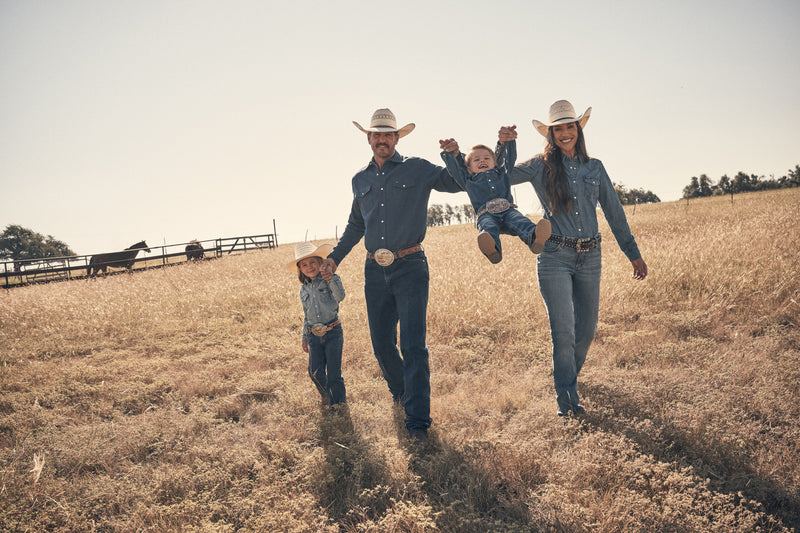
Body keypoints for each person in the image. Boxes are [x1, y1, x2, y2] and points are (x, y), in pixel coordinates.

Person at [322, 108, 463, 445]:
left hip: (410, 266)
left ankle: (417, 423)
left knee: (413, 346)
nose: (382, 139)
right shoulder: (360, 180)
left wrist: (454, 156)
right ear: (368, 139)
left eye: (388, 134)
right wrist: (335, 258)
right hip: (374, 270)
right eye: (376, 134)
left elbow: (457, 183)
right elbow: (356, 225)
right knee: (382, 344)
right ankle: (402, 393)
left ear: (397, 138)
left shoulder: (418, 168)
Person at [501, 100, 648, 417]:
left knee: (586, 332)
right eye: (559, 129)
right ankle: (567, 403)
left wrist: (632, 253)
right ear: (551, 134)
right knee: (564, 333)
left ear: (578, 130)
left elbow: (614, 212)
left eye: (570, 127)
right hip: (555, 256)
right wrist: (505, 146)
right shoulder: (539, 166)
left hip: (590, 257)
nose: (565, 133)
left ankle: (566, 376)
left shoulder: (594, 167)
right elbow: (502, 176)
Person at [439, 137, 551, 263]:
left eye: (486, 158)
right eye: (476, 159)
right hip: (486, 214)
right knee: (488, 227)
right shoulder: (468, 181)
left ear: (495, 163)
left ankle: (535, 238)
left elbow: (510, 159)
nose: (482, 160)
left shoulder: (502, 174)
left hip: (508, 210)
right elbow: (455, 171)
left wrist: (510, 141)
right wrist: (449, 153)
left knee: (519, 220)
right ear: (469, 168)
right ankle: (493, 251)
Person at [287, 241, 347, 409]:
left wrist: (331, 278)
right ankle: (326, 394)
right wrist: (304, 337)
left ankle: (338, 404)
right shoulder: (303, 290)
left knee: (334, 373)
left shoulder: (329, 280)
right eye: (304, 265)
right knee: (315, 372)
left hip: (332, 331)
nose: (309, 267)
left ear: (321, 262)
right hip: (313, 335)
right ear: (300, 269)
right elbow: (307, 315)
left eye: (312, 262)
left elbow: (340, 296)